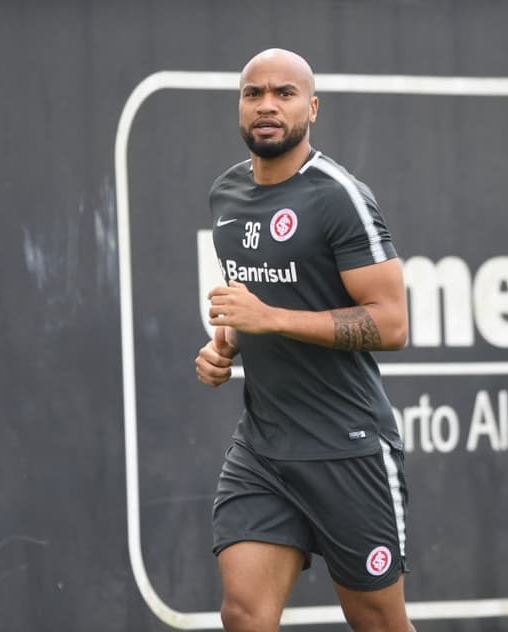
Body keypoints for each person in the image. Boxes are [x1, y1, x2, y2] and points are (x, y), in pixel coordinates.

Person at [194, 48, 416, 632]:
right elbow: (253, 305)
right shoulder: (225, 196)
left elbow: (391, 323)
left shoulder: (338, 195)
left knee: (378, 623)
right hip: (263, 450)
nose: (267, 105)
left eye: (284, 94)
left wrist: (270, 319)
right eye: (253, 93)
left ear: (311, 108)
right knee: (243, 614)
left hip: (347, 447)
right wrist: (226, 344)